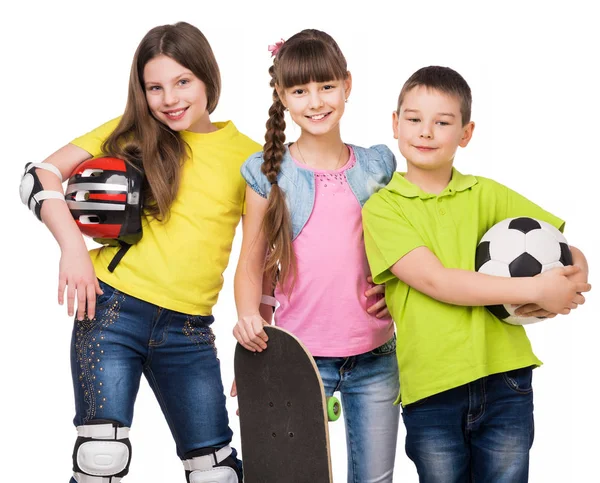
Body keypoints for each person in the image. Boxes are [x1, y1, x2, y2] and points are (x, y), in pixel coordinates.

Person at [19, 21, 260, 483]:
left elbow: (257, 257)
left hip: (189, 331)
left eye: (182, 81)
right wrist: (71, 246)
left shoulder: (249, 157)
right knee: (100, 460)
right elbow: (39, 175)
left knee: (216, 473)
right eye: (155, 87)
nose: (169, 98)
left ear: (208, 76)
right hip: (110, 310)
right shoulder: (129, 131)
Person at [362, 65, 592, 483]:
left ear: (466, 133)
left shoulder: (486, 193)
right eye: (414, 119)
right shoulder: (384, 207)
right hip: (432, 387)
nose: (426, 132)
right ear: (395, 125)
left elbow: (562, 247)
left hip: (506, 377)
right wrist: (537, 286)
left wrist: (573, 278)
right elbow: (437, 281)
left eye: (442, 122)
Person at [231, 29, 400, 483]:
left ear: (347, 84)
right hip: (297, 356)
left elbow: (407, 244)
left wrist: (396, 287)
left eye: (326, 86)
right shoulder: (269, 173)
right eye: (300, 90)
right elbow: (251, 260)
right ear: (282, 96)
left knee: (376, 479)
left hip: (376, 355)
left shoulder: (377, 166)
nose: (316, 100)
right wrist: (249, 318)